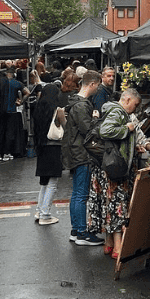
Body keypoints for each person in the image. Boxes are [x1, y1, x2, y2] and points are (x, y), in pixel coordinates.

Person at [88, 87, 148, 258]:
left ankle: (108, 243)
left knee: (109, 204)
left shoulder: (111, 110)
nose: (135, 109)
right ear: (127, 100)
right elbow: (105, 131)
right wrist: (127, 130)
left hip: (106, 165)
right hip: (114, 166)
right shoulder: (118, 112)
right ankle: (117, 247)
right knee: (116, 204)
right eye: (135, 105)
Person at [63, 69, 103, 246]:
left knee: (77, 193)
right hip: (82, 153)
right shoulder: (81, 105)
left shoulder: (75, 102)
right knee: (81, 194)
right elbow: (88, 131)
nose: (98, 89)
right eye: (98, 85)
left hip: (75, 152)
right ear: (92, 84)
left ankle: (75, 230)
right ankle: (81, 232)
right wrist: (95, 120)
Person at [32, 82, 66, 225]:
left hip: (41, 147)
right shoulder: (57, 110)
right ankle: (45, 214)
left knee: (44, 182)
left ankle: (40, 210)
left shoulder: (38, 108)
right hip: (54, 147)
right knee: (53, 182)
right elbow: (65, 125)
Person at [0, 67, 27, 160]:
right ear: (13, 74)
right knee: (9, 133)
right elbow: (27, 92)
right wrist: (21, 101)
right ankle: (7, 153)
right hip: (12, 111)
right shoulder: (17, 83)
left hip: (0, 110)